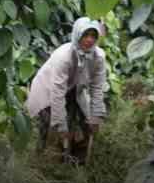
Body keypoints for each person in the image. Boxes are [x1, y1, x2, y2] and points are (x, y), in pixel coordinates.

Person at [25, 17, 107, 161]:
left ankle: (76, 162)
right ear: (77, 35)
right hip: (48, 90)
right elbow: (57, 93)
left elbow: (97, 88)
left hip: (73, 89)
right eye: (85, 35)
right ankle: (44, 162)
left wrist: (96, 117)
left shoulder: (98, 57)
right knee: (52, 127)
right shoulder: (64, 56)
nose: (89, 40)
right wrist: (60, 125)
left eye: (93, 36)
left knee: (85, 123)